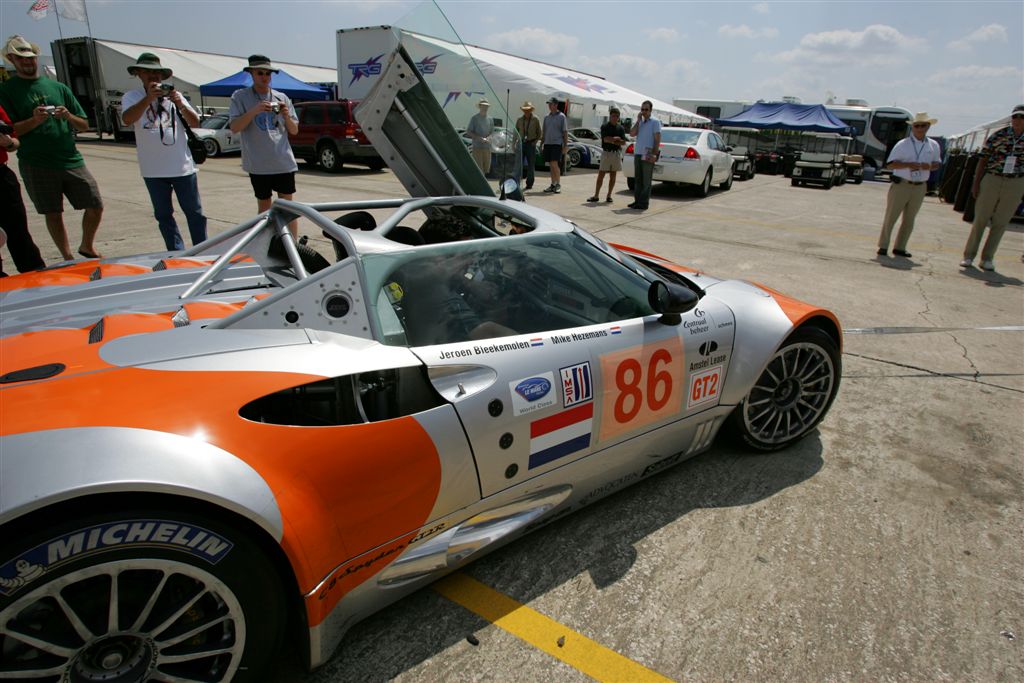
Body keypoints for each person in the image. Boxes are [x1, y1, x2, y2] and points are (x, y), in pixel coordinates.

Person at [0, 35, 103, 261]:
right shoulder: (6, 91)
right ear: (11, 60)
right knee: (53, 212)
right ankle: (67, 257)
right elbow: (8, 132)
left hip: (70, 158)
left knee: (95, 203)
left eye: (30, 57)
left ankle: (87, 245)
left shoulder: (58, 87)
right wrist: (34, 120)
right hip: (36, 162)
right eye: (21, 58)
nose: (27, 62)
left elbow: (84, 124)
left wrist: (68, 116)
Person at [120, 53, 207, 251]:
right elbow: (127, 119)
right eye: (147, 72)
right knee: (163, 215)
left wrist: (179, 104)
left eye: (157, 73)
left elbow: (195, 122)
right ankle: (175, 251)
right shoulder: (132, 97)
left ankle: (202, 249)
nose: (153, 76)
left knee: (195, 212)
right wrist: (148, 98)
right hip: (153, 170)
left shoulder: (175, 96)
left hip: (182, 167)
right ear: (138, 74)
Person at [229, 55, 300, 239]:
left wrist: (285, 115)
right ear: (251, 74)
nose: (264, 77)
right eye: (260, 73)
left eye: (268, 73)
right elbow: (235, 127)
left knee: (289, 209)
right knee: (264, 209)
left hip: (283, 162)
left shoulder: (281, 97)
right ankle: (266, 244)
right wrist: (255, 110)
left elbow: (294, 130)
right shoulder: (240, 96)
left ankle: (294, 246)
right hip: (258, 164)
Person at [959, 104, 1024, 271]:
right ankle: (969, 256)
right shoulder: (999, 135)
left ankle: (987, 258)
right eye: (1015, 117)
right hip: (992, 178)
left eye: (1022, 117)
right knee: (980, 219)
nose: (1018, 120)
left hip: (1016, 182)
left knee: (1001, 222)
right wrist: (976, 183)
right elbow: (983, 159)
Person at [875, 112, 942, 258]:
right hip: (902, 184)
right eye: (917, 126)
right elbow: (890, 164)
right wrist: (908, 165)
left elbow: (937, 164)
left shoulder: (933, 145)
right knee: (891, 216)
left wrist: (929, 167)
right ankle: (883, 245)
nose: (919, 128)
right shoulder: (903, 144)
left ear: (928, 127)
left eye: (923, 126)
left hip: (920, 186)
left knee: (910, 219)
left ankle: (900, 247)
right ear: (912, 127)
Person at [0, 101, 44, 276]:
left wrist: (8, 142)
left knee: (18, 231)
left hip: (2, 177)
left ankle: (35, 274)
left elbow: (14, 141)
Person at [588, 107, 627, 203]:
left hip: (616, 153)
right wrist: (616, 139)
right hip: (606, 153)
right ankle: (596, 195)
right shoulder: (605, 126)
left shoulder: (621, 128)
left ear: (619, 117)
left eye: (617, 116)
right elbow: (605, 139)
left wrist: (613, 140)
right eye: (613, 116)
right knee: (601, 175)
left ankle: (609, 195)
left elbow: (623, 142)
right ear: (610, 116)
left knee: (613, 176)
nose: (615, 118)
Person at [629, 101, 661, 210]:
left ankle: (643, 203)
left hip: (648, 154)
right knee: (638, 180)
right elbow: (632, 133)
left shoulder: (655, 122)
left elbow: (657, 139)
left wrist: (654, 154)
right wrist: (638, 121)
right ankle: (637, 201)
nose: (644, 112)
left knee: (646, 180)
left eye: (646, 109)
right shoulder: (641, 122)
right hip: (638, 153)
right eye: (642, 109)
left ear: (650, 110)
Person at [541, 97, 568, 194]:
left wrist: (565, 146)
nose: (549, 106)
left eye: (551, 104)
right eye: (548, 104)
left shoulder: (562, 116)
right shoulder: (546, 117)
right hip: (547, 143)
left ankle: (558, 184)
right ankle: (553, 184)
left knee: (554, 164)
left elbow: (565, 132)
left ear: (556, 105)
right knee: (551, 165)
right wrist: (541, 143)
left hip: (557, 143)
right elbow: (544, 131)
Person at [515, 101, 541, 190]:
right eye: (525, 110)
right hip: (521, 143)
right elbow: (515, 132)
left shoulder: (535, 119)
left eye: (528, 109)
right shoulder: (519, 119)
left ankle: (529, 183)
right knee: (518, 165)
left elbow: (539, 133)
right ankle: (516, 183)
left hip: (531, 144)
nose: (526, 111)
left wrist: (535, 142)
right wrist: (513, 143)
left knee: (531, 165)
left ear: (531, 110)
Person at [466, 99, 493, 174]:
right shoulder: (474, 118)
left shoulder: (490, 119)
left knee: (486, 169)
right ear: (480, 106)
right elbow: (468, 131)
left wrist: (488, 138)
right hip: (477, 147)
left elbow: (492, 132)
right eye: (483, 106)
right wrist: (478, 138)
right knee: (479, 169)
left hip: (487, 147)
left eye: (487, 106)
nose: (485, 108)